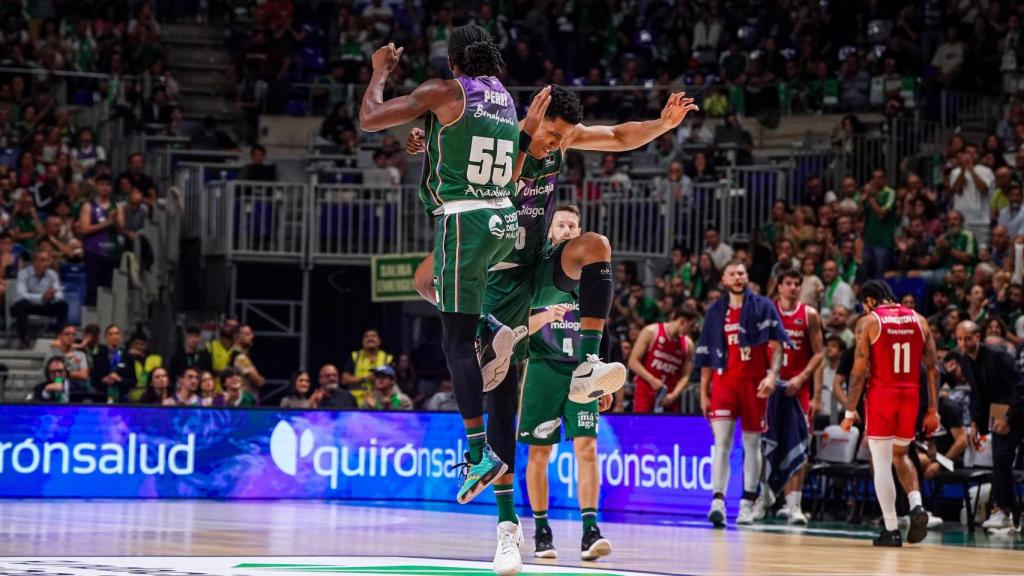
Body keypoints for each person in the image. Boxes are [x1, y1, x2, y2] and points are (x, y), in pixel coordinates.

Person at [519, 207, 614, 562]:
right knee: (539, 452)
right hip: (543, 369)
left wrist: (602, 380)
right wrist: (546, 314)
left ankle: (590, 530)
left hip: (581, 372)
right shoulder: (538, 274)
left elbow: (602, 328)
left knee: (587, 449)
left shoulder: (588, 275)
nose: (568, 230)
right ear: (550, 232)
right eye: (561, 224)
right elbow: (512, 327)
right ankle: (542, 530)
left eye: (573, 225)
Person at [840, 280, 939, 547]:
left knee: (882, 461)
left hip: (882, 394)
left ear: (870, 301)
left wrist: (850, 410)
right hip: (911, 395)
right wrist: (933, 409)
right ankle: (917, 505)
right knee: (901, 454)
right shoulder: (919, 320)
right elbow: (933, 368)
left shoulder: (870, 322)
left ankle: (891, 529)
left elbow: (858, 372)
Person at [696, 259, 791, 527]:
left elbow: (778, 343)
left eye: (742, 273)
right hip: (725, 384)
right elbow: (707, 355)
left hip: (755, 384)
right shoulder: (716, 311)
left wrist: (773, 375)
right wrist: (704, 393)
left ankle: (748, 502)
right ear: (724, 280)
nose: (738, 277)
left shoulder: (763, 306)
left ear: (747, 277)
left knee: (751, 445)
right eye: (732, 274)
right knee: (722, 443)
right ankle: (717, 501)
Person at [764, 269, 824, 525]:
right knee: (764, 444)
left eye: (797, 284)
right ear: (779, 287)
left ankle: (794, 505)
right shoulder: (768, 313)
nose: (793, 288)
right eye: (788, 283)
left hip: (798, 389)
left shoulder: (809, 315)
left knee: (799, 446)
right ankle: (761, 500)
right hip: (771, 387)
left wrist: (803, 379)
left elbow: (819, 353)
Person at [954, 321, 1024, 530]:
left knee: (1002, 458)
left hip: (1017, 409)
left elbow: (1020, 388)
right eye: (959, 339)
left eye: (968, 338)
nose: (964, 343)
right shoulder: (965, 361)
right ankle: (1006, 512)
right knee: (1000, 458)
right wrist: (975, 422)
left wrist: (1009, 418)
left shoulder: (997, 356)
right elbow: (977, 394)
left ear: (978, 337)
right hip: (997, 412)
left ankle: (1007, 512)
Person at [627, 307, 697, 413]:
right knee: (643, 426)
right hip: (646, 389)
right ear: (682, 321)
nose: (692, 330)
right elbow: (633, 361)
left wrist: (675, 394)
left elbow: (686, 375)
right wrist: (651, 380)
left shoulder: (688, 344)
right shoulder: (651, 331)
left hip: (669, 395)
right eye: (691, 326)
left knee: (668, 429)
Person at [12, 250, 67, 348]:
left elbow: (59, 294)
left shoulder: (52, 274)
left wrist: (53, 296)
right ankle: (23, 340)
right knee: (21, 304)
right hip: (28, 306)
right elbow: (21, 294)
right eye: (42, 260)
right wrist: (41, 296)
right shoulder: (23, 274)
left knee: (62, 305)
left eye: (47, 260)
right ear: (34, 262)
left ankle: (59, 338)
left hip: (45, 305)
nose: (46, 263)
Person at [341, 328, 393, 404]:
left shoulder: (387, 358)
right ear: (362, 342)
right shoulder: (355, 356)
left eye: (373, 336)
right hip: (355, 403)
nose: (370, 338)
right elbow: (344, 380)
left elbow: (393, 382)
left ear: (379, 341)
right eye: (367, 336)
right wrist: (365, 379)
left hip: (379, 402)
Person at [91, 324, 134, 403]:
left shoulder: (128, 356)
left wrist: (119, 379)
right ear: (106, 338)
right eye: (110, 334)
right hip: (102, 397)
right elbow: (93, 380)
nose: (114, 336)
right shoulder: (98, 356)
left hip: (122, 397)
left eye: (116, 333)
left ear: (120, 337)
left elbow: (133, 381)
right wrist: (103, 380)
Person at [228, 324, 265, 399]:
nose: (252, 337)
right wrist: (261, 379)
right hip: (245, 397)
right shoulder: (240, 357)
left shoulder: (232, 352)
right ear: (237, 336)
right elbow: (259, 381)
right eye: (247, 334)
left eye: (251, 334)